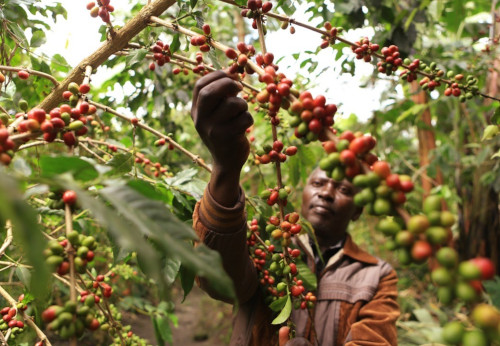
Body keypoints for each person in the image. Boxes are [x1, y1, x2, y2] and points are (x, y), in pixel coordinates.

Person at [190, 70, 400, 345]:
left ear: (359, 209)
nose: (326, 193)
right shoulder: (264, 244)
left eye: (344, 189)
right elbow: (219, 279)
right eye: (318, 183)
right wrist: (225, 170)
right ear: (302, 193)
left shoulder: (376, 275)